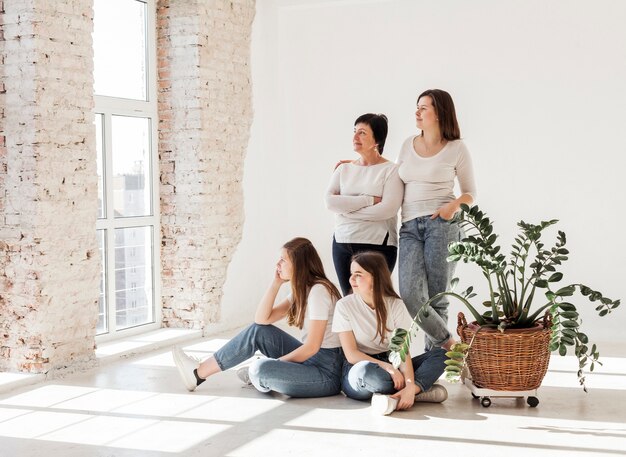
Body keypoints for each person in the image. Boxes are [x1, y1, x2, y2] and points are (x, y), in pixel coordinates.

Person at [171, 237, 344, 398]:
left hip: (326, 373)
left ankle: (263, 375)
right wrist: (275, 283)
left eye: (283, 260)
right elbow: (262, 320)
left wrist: (277, 363)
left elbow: (311, 347)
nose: (278, 264)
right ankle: (198, 373)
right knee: (259, 331)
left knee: (260, 369)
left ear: (298, 265)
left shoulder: (318, 292)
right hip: (311, 361)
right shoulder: (303, 289)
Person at [396, 89, 476, 351]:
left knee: (437, 298)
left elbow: (469, 193)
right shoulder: (407, 145)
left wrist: (451, 208)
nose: (417, 112)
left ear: (439, 113)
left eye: (423, 108)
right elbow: (393, 176)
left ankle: (432, 372)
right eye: (417, 107)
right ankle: (450, 345)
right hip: (409, 226)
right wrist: (358, 164)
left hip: (441, 225)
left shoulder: (456, 148)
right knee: (410, 294)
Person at [332, 251, 447, 416]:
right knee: (367, 372)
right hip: (360, 367)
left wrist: (408, 383)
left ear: (375, 277)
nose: (351, 280)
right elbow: (351, 355)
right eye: (351, 274)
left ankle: (407, 393)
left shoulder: (396, 305)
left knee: (444, 355)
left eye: (358, 275)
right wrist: (388, 368)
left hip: (393, 361)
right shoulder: (344, 306)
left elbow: (401, 351)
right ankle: (419, 390)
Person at [325, 113, 404, 296]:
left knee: (375, 301)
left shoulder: (391, 170)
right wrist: (368, 200)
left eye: (362, 133)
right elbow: (330, 202)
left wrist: (346, 211)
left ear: (376, 140)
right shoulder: (343, 169)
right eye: (354, 132)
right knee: (350, 301)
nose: (355, 137)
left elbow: (387, 209)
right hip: (342, 243)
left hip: (378, 245)